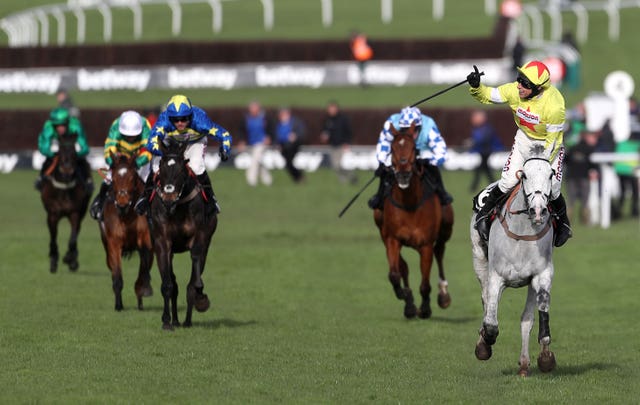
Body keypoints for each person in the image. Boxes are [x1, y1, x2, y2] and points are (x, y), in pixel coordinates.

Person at [467, 60, 572, 247]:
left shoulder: (555, 105)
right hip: (524, 140)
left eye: (525, 83)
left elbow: (553, 141)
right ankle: (484, 214)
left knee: (553, 188)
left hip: (550, 145)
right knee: (508, 182)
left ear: (539, 88)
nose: (519, 86)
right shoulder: (514, 90)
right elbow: (489, 95)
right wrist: (476, 86)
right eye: (519, 79)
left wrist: (538, 165)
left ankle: (563, 223)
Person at [134, 94, 231, 215]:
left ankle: (211, 199)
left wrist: (225, 148)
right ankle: (145, 197)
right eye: (175, 119)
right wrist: (164, 154)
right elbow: (152, 140)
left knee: (196, 166)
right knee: (155, 165)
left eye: (184, 118)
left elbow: (224, 135)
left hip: (195, 141)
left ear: (190, 115)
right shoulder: (164, 120)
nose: (180, 123)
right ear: (170, 117)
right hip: (170, 140)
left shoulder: (200, 121)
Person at [368, 106, 452, 210]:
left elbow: (442, 153)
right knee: (386, 169)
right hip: (400, 149)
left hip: (422, 150)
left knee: (432, 168)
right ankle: (379, 196)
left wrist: (428, 160)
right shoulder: (392, 123)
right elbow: (383, 144)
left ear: (419, 126)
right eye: (405, 129)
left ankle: (442, 193)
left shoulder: (429, 127)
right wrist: (382, 163)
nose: (409, 132)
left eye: (413, 129)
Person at [89, 110, 152, 220]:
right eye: (127, 136)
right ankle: (99, 205)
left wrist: (137, 163)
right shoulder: (116, 126)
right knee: (108, 179)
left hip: (138, 158)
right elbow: (109, 149)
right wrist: (113, 163)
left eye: (134, 136)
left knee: (148, 180)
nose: (130, 139)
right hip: (120, 159)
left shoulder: (145, 125)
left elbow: (148, 150)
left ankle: (152, 210)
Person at [35, 107, 93, 193]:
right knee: (48, 161)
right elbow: (43, 147)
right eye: (57, 126)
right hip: (57, 147)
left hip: (72, 147)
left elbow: (85, 147)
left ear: (67, 123)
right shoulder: (48, 127)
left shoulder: (75, 125)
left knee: (82, 161)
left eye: (63, 125)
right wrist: (53, 154)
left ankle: (88, 181)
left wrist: (76, 154)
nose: (60, 128)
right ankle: (41, 178)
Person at [564, 130, 599, 224]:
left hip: (571, 177)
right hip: (584, 177)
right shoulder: (590, 149)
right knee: (585, 200)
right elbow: (593, 164)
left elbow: (565, 161)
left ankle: (567, 220)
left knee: (570, 200)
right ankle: (585, 220)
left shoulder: (572, 148)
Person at [320, 100, 358, 185]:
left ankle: (348, 178)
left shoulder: (343, 119)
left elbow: (349, 132)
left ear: (336, 109)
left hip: (342, 145)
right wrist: (324, 136)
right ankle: (346, 179)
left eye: (332, 108)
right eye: (329, 109)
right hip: (333, 145)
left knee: (340, 164)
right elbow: (325, 131)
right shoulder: (328, 120)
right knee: (336, 166)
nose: (330, 110)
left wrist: (347, 143)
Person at [468, 110, 504, 192]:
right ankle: (494, 185)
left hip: (486, 151)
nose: (473, 120)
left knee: (481, 168)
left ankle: (474, 187)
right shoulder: (479, 128)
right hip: (483, 151)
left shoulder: (486, 128)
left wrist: (473, 142)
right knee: (485, 169)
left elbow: (483, 140)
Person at [239, 100, 272, 186]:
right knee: (259, 161)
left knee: (255, 160)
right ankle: (268, 180)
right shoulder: (246, 119)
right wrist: (242, 141)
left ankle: (251, 180)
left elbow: (271, 129)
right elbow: (242, 131)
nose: (253, 111)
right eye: (251, 109)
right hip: (251, 144)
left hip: (262, 143)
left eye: (255, 109)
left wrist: (269, 137)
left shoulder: (265, 118)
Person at [275, 107, 306, 183]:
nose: (282, 116)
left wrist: (295, 136)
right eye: (281, 114)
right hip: (283, 147)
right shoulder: (279, 124)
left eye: (284, 114)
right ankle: (299, 177)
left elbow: (302, 132)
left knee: (289, 163)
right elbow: (277, 135)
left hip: (293, 146)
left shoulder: (295, 122)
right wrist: (277, 144)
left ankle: (299, 177)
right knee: (288, 164)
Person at [612, 137, 640, 219]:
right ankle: (634, 211)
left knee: (623, 193)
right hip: (631, 171)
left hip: (620, 170)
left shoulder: (621, 143)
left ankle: (618, 211)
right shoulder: (637, 144)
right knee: (635, 192)